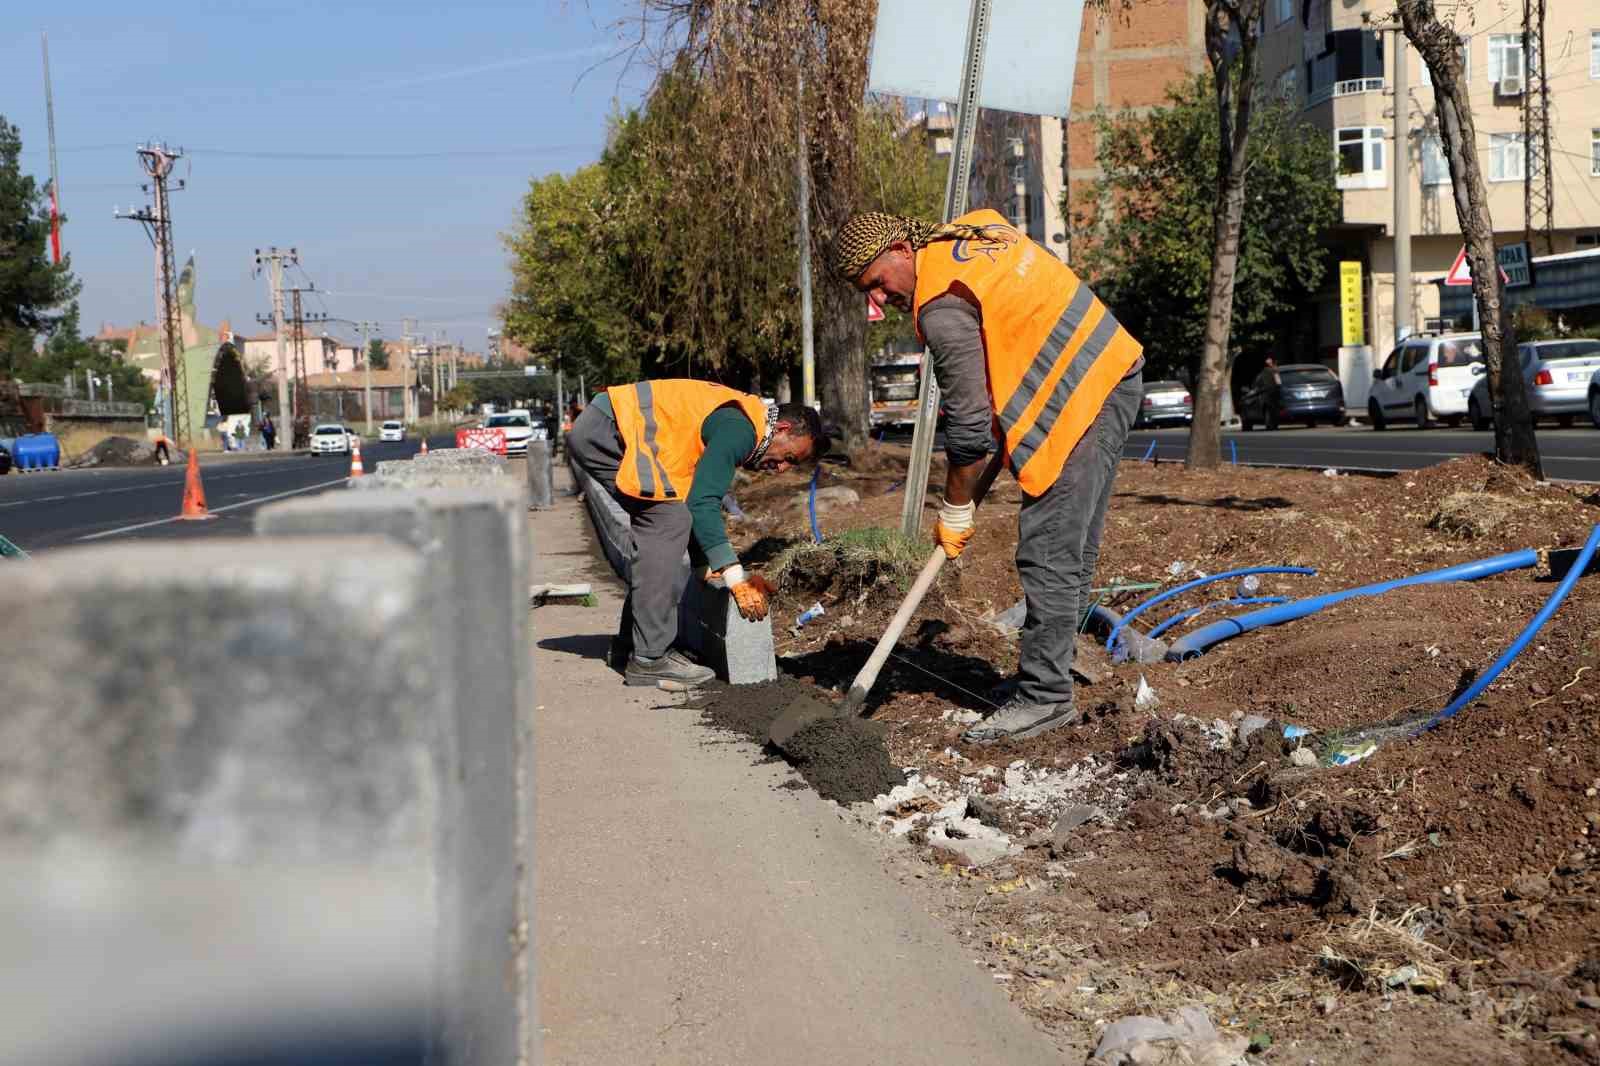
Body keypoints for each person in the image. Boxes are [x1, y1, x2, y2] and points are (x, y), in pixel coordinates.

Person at [832, 209, 1144, 744]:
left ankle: (1045, 696)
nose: (879, 301)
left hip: (1079, 396)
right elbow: (1000, 389)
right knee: (1073, 542)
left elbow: (973, 432)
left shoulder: (940, 305)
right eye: (869, 293)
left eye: (878, 284)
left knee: (1048, 548)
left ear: (903, 250)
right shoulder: (974, 231)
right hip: (1111, 363)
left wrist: (955, 508)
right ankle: (1055, 669)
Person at [567, 380, 827, 690]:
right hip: (609, 431)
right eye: (790, 458)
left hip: (610, 426)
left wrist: (707, 565)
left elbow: (694, 496)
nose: (782, 468)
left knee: (667, 514)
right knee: (666, 518)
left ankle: (630, 647)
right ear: (782, 428)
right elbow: (701, 504)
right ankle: (649, 658)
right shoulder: (742, 430)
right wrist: (734, 577)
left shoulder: (745, 422)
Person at [1253, 356, 1282, 431]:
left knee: (1269, 409)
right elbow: (1278, 382)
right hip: (1274, 392)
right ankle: (1274, 425)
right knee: (1274, 409)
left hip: (1266, 393)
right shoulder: (1275, 371)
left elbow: (1257, 383)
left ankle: (1271, 425)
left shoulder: (1262, 373)